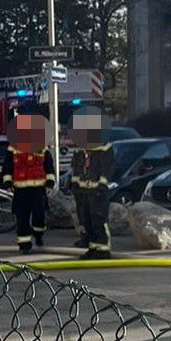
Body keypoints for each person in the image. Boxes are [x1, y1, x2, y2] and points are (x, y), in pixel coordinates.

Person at [1, 115, 55, 254]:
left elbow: (49, 167)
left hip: (38, 189)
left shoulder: (42, 148)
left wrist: (50, 183)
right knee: (22, 218)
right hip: (20, 190)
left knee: (39, 216)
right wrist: (7, 182)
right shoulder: (13, 148)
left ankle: (38, 234)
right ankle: (25, 245)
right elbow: (7, 167)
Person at [68, 107, 116, 260]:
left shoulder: (104, 147)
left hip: (97, 190)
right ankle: (93, 247)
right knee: (86, 220)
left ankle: (103, 249)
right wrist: (74, 183)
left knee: (98, 220)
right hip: (83, 190)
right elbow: (77, 167)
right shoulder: (82, 148)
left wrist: (102, 184)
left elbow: (107, 166)